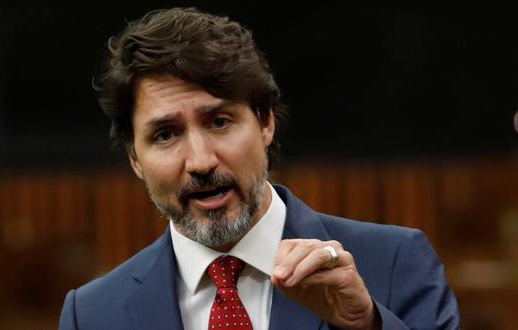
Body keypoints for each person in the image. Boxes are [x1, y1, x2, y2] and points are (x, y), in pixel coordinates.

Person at [59, 7, 459, 330]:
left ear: (266, 123)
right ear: (134, 159)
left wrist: (364, 326)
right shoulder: (92, 314)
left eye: (219, 122)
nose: (200, 162)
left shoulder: (395, 262)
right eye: (165, 135)